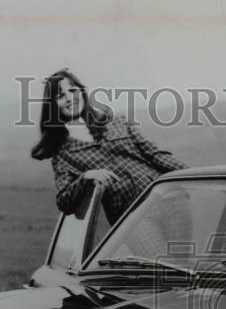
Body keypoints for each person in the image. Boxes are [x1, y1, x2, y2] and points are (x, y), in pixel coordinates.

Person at [30, 69, 187, 226]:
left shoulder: (116, 121)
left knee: (178, 251)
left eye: (72, 90)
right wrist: (86, 177)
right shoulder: (63, 153)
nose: (70, 98)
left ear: (81, 91)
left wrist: (196, 176)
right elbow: (64, 201)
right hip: (130, 218)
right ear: (53, 105)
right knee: (155, 251)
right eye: (61, 96)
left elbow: (155, 155)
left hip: (167, 199)